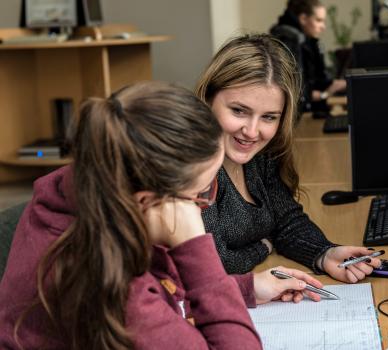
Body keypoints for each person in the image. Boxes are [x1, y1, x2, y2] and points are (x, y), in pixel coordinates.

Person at [0, 82, 324, 349]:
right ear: (146, 201)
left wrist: (245, 287)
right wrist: (194, 243)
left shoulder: (93, 190)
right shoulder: (110, 286)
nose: (204, 205)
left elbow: (165, 290)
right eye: (200, 194)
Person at [195, 34, 380, 284]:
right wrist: (264, 246)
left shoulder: (260, 156)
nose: (251, 131)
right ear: (208, 99)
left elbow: (286, 222)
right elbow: (215, 262)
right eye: (239, 111)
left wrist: (325, 253)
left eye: (269, 117)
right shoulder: (193, 168)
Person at [270, 0, 346, 115]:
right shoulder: (289, 39)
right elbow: (295, 91)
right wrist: (326, 94)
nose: (323, 27)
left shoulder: (306, 40)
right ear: (303, 19)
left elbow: (313, 79)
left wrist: (333, 84)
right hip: (295, 118)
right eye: (318, 20)